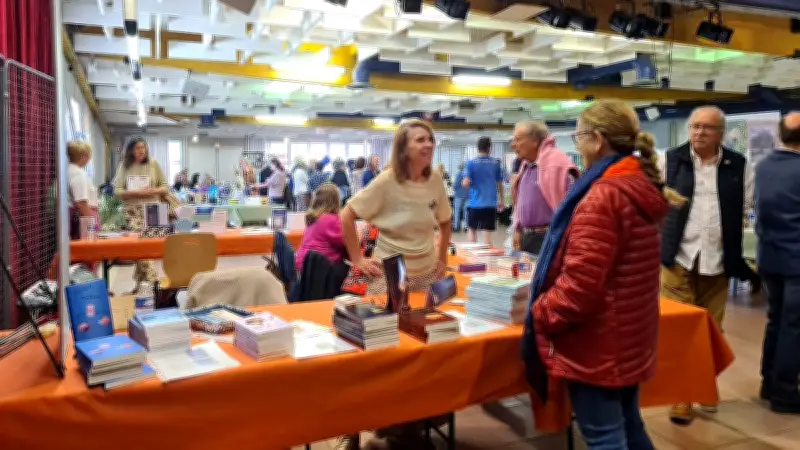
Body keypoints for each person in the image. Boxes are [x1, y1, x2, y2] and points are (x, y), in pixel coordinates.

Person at [524, 100, 685, 449]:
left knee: (604, 436)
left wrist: (541, 312)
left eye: (578, 137)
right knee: (629, 424)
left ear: (597, 140)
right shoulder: (636, 183)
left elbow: (580, 285)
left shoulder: (602, 195)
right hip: (628, 333)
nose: (577, 146)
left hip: (598, 342)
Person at [338, 119, 452, 450]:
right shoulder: (387, 181)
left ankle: (410, 422)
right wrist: (358, 259)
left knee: (423, 353)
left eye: (430, 139)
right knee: (382, 354)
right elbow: (347, 215)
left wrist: (442, 257)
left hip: (426, 275)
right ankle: (362, 424)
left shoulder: (435, 180)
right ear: (403, 148)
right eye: (420, 140)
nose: (428, 144)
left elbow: (445, 222)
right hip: (390, 277)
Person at [657, 106, 756, 423]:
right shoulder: (669, 160)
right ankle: (682, 395)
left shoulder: (739, 165)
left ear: (721, 133)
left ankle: (703, 384)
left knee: (712, 329)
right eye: (694, 126)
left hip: (719, 258)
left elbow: (745, 205)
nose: (699, 132)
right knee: (681, 328)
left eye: (707, 128)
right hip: (677, 257)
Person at [755, 112, 800, 415]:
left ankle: (769, 383)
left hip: (770, 258)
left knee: (776, 321)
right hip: (797, 262)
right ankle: (785, 393)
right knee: (793, 328)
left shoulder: (764, 166)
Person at [511, 121, 578, 255]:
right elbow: (521, 201)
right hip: (527, 236)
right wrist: (517, 229)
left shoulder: (556, 163)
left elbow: (572, 208)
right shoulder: (526, 165)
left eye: (518, 139)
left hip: (548, 237)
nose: (513, 145)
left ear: (534, 141)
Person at [113, 138, 169, 294]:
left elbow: (165, 187)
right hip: (133, 210)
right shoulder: (124, 166)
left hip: (154, 209)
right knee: (141, 245)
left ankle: (141, 286)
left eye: (143, 147)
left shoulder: (154, 163)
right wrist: (136, 193)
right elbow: (117, 191)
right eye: (137, 148)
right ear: (131, 150)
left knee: (149, 247)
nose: (141, 151)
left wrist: (154, 190)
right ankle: (152, 282)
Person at [294, 184, 346, 271]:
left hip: (304, 264)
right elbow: (346, 241)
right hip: (318, 268)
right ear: (336, 200)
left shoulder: (313, 217)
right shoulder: (330, 219)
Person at [462, 136, 504, 245]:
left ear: (477, 148)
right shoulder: (495, 163)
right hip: (490, 204)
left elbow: (465, 183)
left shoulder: (471, 163)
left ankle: (472, 254)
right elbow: (500, 183)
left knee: (472, 230)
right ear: (489, 148)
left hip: (475, 204)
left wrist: (470, 183)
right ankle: (488, 254)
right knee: (487, 234)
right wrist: (502, 200)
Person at [452, 162, 468, 232]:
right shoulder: (469, 174)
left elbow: (455, 185)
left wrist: (454, 187)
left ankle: (456, 227)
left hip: (459, 195)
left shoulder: (459, 174)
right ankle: (466, 227)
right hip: (467, 195)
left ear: (460, 168)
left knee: (457, 211)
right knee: (466, 211)